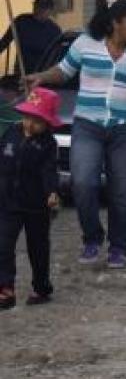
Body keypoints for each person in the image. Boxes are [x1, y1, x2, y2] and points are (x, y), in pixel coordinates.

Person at [26, 0, 126, 270]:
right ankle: (92, 236)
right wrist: (40, 77)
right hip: (88, 125)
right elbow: (63, 71)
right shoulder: (86, 44)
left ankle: (119, 246)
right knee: (83, 182)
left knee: (122, 190)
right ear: (116, 23)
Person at [0, 88, 62, 309]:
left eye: (37, 121)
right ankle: (6, 289)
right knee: (3, 245)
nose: (30, 124)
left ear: (47, 123)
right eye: (27, 117)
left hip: (36, 205)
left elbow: (49, 171)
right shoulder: (11, 133)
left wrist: (52, 192)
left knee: (38, 248)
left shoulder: (48, 143)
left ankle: (41, 287)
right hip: (7, 203)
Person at [0, 0, 61, 76]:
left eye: (44, 8)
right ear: (34, 6)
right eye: (38, 6)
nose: (40, 10)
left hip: (43, 74)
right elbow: (5, 41)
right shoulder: (21, 21)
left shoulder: (54, 30)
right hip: (22, 72)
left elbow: (57, 54)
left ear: (50, 10)